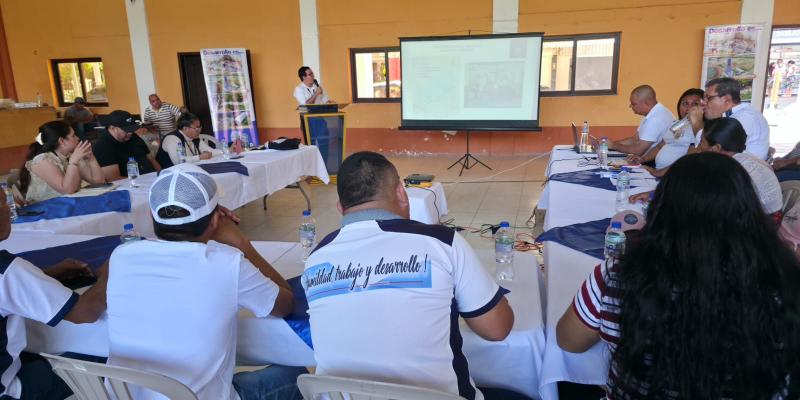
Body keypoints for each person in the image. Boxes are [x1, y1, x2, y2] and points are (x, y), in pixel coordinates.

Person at [557, 152, 800, 399]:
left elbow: (569, 342)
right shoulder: (783, 281)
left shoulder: (618, 276)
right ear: (750, 212)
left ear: (660, 208)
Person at [303, 151, 523, 400]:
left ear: (340, 208)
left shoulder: (315, 259)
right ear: (401, 193)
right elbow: (497, 329)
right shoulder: (442, 242)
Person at [105, 164, 303, 400]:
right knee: (296, 374)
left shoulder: (121, 256)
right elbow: (285, 304)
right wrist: (240, 243)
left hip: (120, 396)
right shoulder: (227, 263)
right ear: (215, 221)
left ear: (151, 215)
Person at [0, 184, 109, 399]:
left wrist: (44, 275)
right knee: (105, 354)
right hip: (12, 392)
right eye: (4, 201)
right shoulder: (7, 272)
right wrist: (109, 274)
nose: (9, 208)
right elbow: (85, 313)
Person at [18, 120, 106, 204]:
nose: (78, 138)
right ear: (62, 141)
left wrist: (91, 158)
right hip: (46, 210)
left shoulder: (70, 156)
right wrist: (73, 163)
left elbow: (99, 182)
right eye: (73, 135)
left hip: (69, 204)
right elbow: (67, 190)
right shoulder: (42, 160)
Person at [627, 88, 703, 169]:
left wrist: (658, 173)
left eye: (695, 104)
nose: (689, 108)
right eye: (685, 103)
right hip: (659, 170)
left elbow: (689, 158)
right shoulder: (677, 124)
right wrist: (642, 159)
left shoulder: (699, 128)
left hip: (674, 174)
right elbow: (661, 145)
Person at [701, 77, 770, 160]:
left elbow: (707, 150)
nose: (703, 103)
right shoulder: (741, 113)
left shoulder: (743, 118)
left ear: (726, 100)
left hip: (745, 170)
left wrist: (696, 123)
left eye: (708, 98)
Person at [92, 110, 160, 182]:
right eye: (126, 130)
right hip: (133, 186)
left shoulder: (133, 137)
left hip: (152, 180)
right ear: (112, 128)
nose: (130, 133)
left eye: (132, 129)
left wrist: (160, 175)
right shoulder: (103, 146)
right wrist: (144, 181)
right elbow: (113, 178)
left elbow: (151, 159)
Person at [608, 85, 674, 157]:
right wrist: (609, 144)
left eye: (634, 104)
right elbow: (634, 140)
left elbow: (638, 151)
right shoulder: (652, 113)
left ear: (647, 103)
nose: (630, 106)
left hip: (653, 163)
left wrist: (614, 146)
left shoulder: (655, 118)